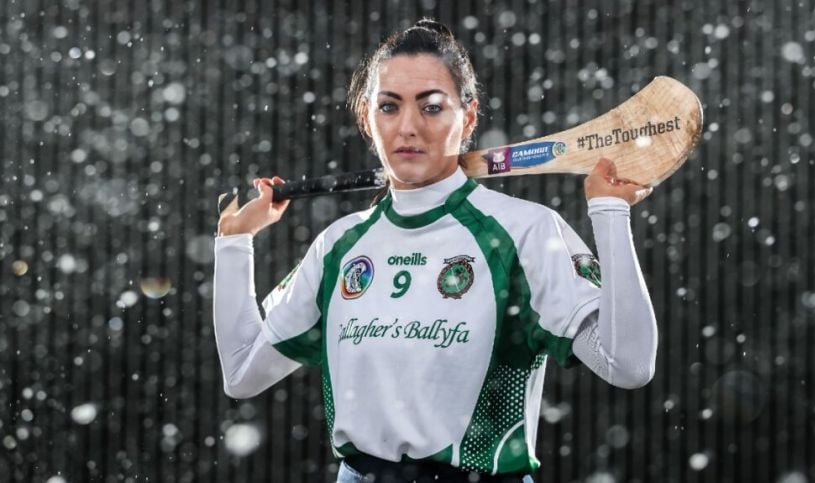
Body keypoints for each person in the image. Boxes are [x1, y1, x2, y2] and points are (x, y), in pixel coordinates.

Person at [213, 19, 657, 483]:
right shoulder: (338, 246)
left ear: (467, 116)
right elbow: (243, 374)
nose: (408, 127)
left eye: (431, 106)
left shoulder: (524, 232)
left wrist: (608, 212)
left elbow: (626, 364)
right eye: (389, 106)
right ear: (367, 116)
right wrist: (234, 243)